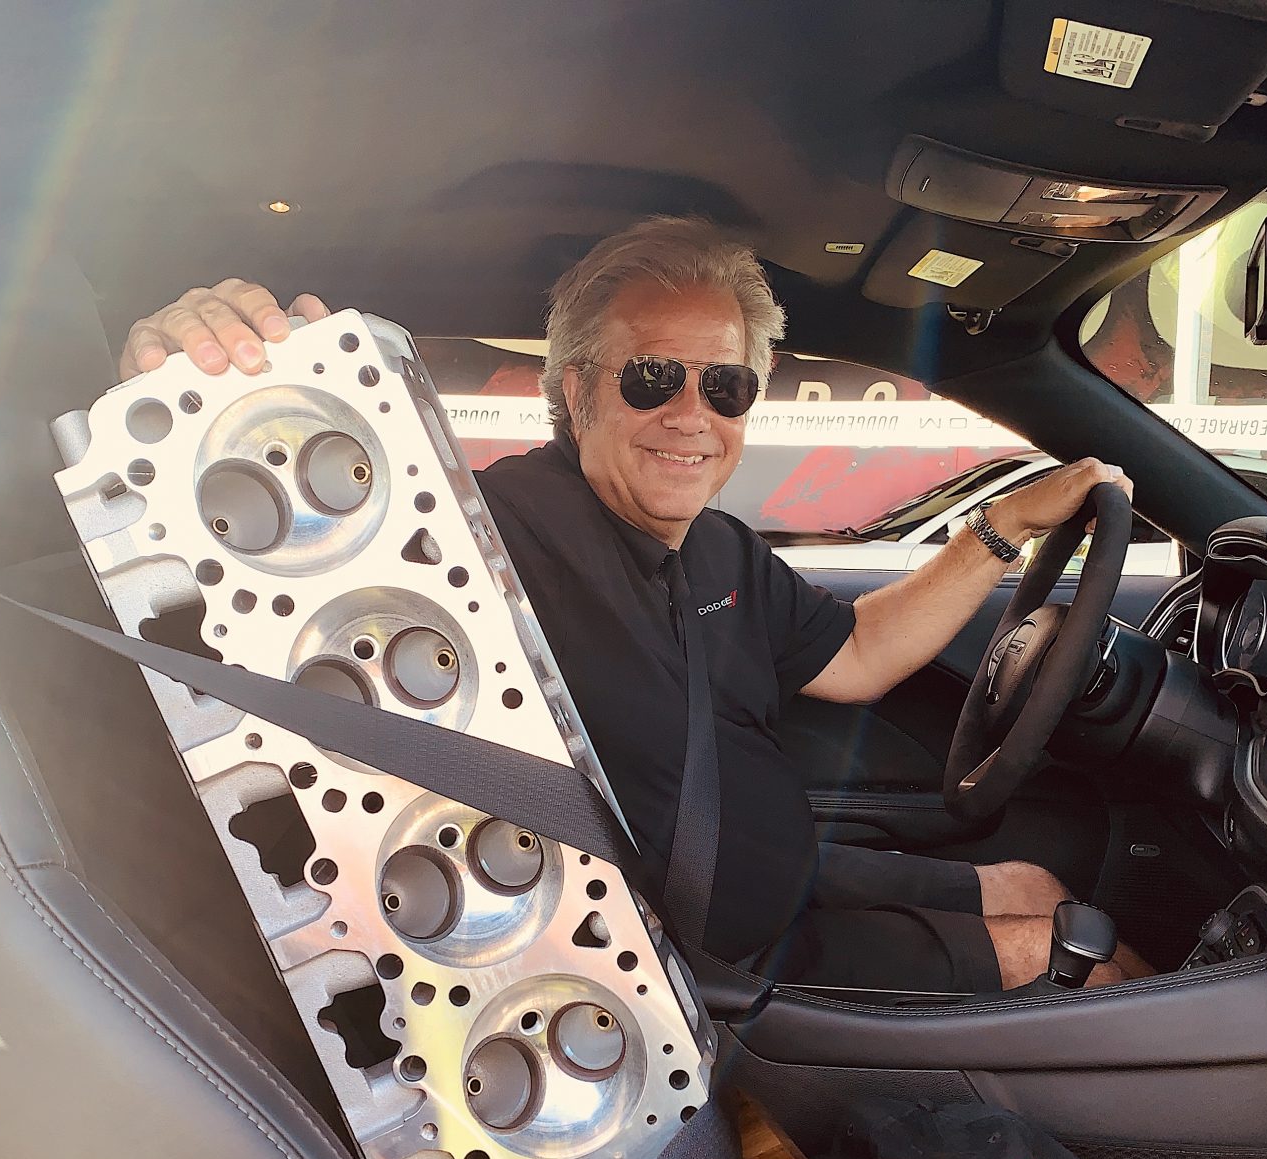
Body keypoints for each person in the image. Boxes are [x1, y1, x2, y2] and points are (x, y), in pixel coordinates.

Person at [118, 217, 1150, 990]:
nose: (690, 416)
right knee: (1084, 962)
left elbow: (861, 653)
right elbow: (286, 596)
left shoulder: (720, 552)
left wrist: (999, 529)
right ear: (567, 393)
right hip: (697, 968)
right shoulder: (488, 536)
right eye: (651, 378)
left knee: (1035, 885)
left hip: (792, 894)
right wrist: (187, 389)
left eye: (726, 386)